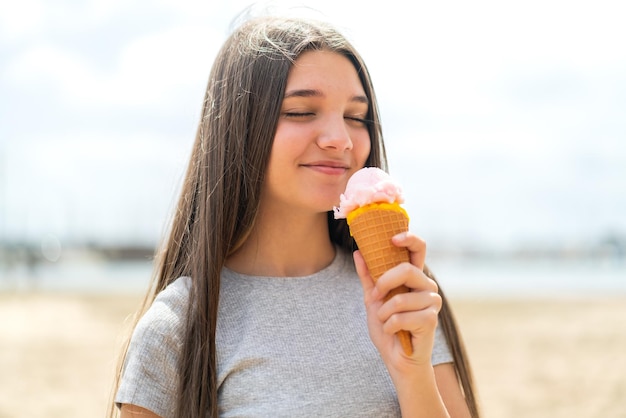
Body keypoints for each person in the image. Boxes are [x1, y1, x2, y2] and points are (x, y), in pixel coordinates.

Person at [109, 13, 480, 418]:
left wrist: (411, 372)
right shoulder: (179, 326)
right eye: (302, 111)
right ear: (240, 127)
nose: (340, 139)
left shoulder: (400, 292)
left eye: (356, 117)